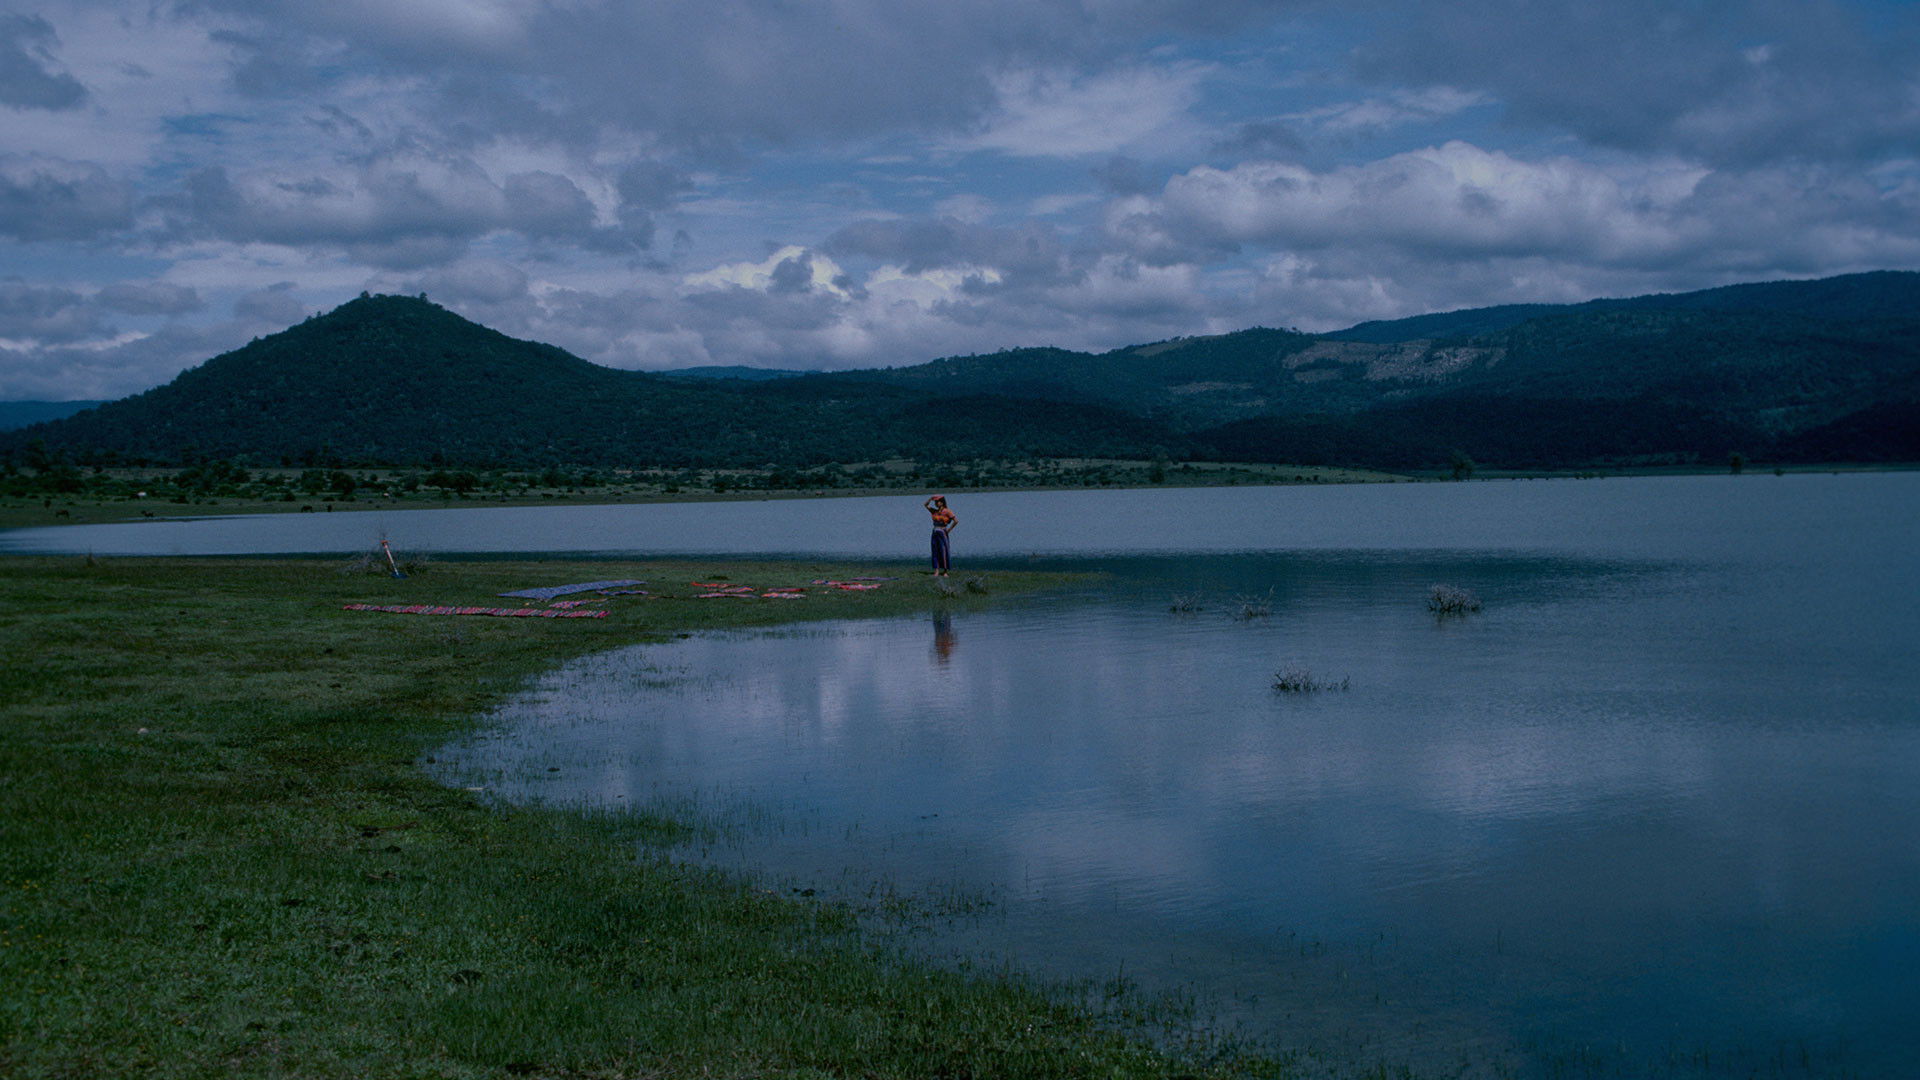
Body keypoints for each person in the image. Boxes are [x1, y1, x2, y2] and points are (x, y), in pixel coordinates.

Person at [924, 494, 956, 576]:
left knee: (944, 550)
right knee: (935, 551)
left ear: (942, 503)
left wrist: (949, 530)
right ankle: (936, 570)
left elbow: (955, 521)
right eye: (935, 502)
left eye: (937, 502)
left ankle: (945, 571)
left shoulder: (947, 511)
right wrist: (931, 498)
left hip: (943, 531)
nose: (936, 503)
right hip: (935, 532)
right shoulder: (934, 511)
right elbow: (925, 505)